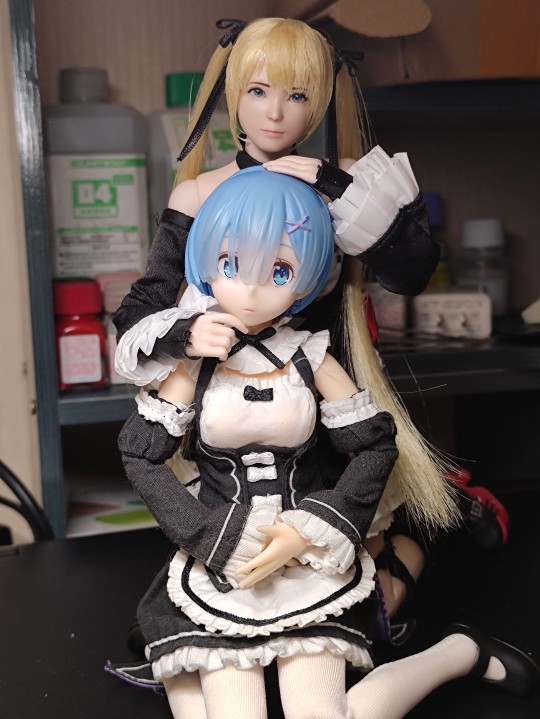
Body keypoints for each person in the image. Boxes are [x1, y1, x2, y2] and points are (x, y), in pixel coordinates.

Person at [109, 168, 538, 719]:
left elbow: (377, 447)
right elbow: (140, 454)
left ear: (309, 278)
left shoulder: (311, 356)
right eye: (231, 264)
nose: (252, 289)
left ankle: (455, 654)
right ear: (205, 261)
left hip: (308, 563)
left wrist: (315, 525)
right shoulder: (194, 362)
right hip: (220, 566)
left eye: (279, 270)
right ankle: (174, 657)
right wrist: (207, 533)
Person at [113, 17, 456, 633]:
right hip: (227, 402)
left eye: (297, 95)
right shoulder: (201, 193)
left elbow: (413, 271)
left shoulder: (344, 181)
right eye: (258, 90)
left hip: (322, 393)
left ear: (318, 102)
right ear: (233, 93)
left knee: (356, 598)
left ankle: (408, 555)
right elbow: (141, 308)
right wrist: (183, 335)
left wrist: (338, 188)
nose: (275, 112)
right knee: (202, 589)